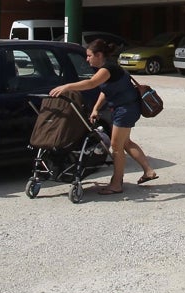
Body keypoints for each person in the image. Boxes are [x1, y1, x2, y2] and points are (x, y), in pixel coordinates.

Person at [48, 38, 157, 194]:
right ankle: (148, 171)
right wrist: (96, 109)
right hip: (125, 108)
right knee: (125, 142)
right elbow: (105, 90)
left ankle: (116, 184)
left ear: (99, 55)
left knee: (116, 148)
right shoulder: (105, 69)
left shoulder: (107, 69)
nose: (87, 59)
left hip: (125, 110)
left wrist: (67, 87)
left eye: (89, 55)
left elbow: (91, 84)